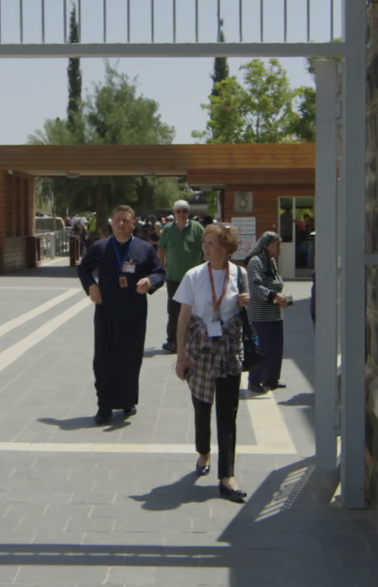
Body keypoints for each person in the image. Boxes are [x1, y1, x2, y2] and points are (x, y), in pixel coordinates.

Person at [173, 223, 251, 503]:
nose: (205, 248)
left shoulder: (240, 274)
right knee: (202, 407)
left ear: (226, 248)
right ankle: (204, 451)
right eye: (204, 242)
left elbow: (245, 307)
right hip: (200, 350)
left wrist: (246, 301)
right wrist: (181, 357)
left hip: (229, 350)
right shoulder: (194, 276)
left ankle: (227, 476)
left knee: (228, 412)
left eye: (210, 243)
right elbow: (183, 318)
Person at [78, 205, 164, 424]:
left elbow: (159, 272)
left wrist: (150, 281)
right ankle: (104, 405)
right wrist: (91, 286)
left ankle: (128, 400)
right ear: (112, 223)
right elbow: (83, 268)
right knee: (104, 358)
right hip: (106, 311)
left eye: (126, 220)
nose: (121, 224)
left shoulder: (145, 249)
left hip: (134, 312)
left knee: (130, 357)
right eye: (117, 220)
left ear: (133, 224)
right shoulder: (100, 248)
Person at [245, 232, 293, 395]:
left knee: (275, 349)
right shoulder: (256, 262)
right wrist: (274, 296)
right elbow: (254, 287)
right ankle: (254, 380)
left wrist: (286, 298)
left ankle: (271, 379)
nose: (280, 248)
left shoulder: (272, 262)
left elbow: (277, 284)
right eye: (277, 244)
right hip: (260, 315)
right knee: (261, 348)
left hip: (275, 314)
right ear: (267, 245)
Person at [156, 199, 204, 354]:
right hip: (173, 277)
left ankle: (194, 340)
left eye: (185, 211)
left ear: (188, 212)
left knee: (195, 310)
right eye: (179, 211)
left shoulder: (197, 228)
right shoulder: (168, 229)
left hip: (194, 279)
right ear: (174, 213)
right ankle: (173, 341)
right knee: (174, 311)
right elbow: (161, 248)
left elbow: (205, 248)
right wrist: (162, 267)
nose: (182, 214)